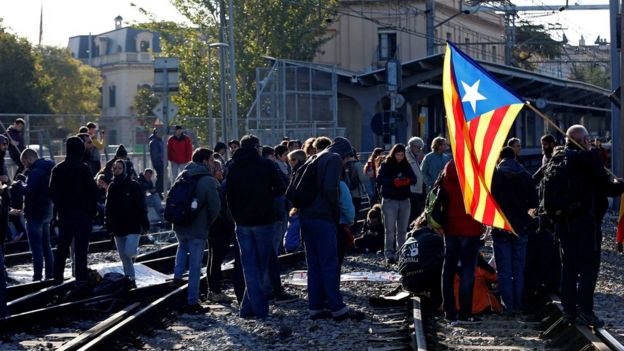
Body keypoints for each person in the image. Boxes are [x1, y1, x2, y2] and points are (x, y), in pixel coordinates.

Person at [554, 125, 624, 327]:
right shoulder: (589, 159)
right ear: (584, 141)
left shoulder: (558, 158)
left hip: (563, 224)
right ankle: (585, 311)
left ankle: (569, 311)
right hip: (586, 224)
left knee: (568, 268)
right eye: (589, 140)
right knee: (588, 269)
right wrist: (621, 184)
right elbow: (608, 189)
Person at [299, 136, 365, 321]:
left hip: (307, 218)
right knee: (329, 263)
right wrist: (335, 212)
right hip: (323, 220)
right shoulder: (334, 160)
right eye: (346, 158)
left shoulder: (315, 158)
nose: (345, 162)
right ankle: (337, 307)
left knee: (313, 265)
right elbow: (331, 190)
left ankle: (315, 307)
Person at [226, 135, 287, 318]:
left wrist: (236, 216)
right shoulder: (266, 165)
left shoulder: (233, 167)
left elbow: (228, 194)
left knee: (248, 265)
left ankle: (246, 309)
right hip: (264, 221)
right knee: (260, 265)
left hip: (242, 222)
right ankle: (260, 310)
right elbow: (281, 189)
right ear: (256, 147)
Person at [171, 148, 220, 312]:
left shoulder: (183, 174)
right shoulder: (207, 180)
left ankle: (176, 278)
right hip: (197, 228)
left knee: (181, 248)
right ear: (206, 161)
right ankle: (192, 301)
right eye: (212, 160)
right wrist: (207, 223)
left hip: (180, 224)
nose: (213, 163)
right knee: (195, 266)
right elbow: (215, 207)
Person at [491, 146, 539, 312]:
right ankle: (518, 304)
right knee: (518, 267)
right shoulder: (525, 175)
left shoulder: (495, 176)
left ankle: (508, 305)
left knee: (504, 269)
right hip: (521, 227)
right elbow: (534, 203)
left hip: (500, 226)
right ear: (515, 157)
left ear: (500, 158)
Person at [439, 159, 484, 323]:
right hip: (471, 229)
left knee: (448, 270)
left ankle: (449, 312)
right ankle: (465, 313)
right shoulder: (475, 174)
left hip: (451, 228)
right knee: (467, 271)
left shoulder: (446, 173)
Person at [49, 137, 98, 284]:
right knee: (81, 249)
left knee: (62, 247)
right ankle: (80, 279)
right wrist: (91, 212)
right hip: (83, 216)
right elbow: (92, 193)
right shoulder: (84, 168)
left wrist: (60, 207)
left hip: (65, 214)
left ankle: (57, 279)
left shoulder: (58, 169)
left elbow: (52, 193)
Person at [11, 149, 55, 281]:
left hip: (34, 214)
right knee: (47, 246)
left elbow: (29, 191)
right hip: (47, 211)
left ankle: (37, 278)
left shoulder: (35, 172)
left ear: (29, 159)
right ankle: (50, 274)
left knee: (36, 248)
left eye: (24, 162)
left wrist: (18, 185)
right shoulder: (47, 168)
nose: (24, 165)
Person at [105, 160, 149, 283]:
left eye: (119, 168)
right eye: (115, 168)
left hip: (133, 226)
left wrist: (144, 223)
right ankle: (130, 279)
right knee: (124, 258)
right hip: (118, 227)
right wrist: (109, 226)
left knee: (129, 252)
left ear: (124, 169)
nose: (117, 170)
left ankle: (135, 253)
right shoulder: (112, 187)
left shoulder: (133, 185)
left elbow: (141, 205)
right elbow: (108, 208)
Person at [376, 144, 417, 265]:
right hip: (390, 200)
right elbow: (380, 179)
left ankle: (401, 253)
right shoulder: (386, 164)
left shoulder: (406, 165)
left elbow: (414, 179)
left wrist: (407, 181)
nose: (400, 157)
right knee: (389, 229)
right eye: (398, 154)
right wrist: (393, 182)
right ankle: (389, 253)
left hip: (404, 200)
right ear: (393, 154)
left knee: (402, 229)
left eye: (402, 155)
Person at [398, 213, 444, 308]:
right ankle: (439, 298)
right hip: (423, 282)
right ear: (431, 226)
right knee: (446, 261)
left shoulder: (409, 240)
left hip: (407, 283)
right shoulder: (434, 239)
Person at [206, 159, 235, 303]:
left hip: (213, 228)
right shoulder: (215, 187)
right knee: (216, 261)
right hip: (219, 228)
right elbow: (220, 210)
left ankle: (213, 290)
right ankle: (216, 291)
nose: (221, 172)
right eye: (218, 170)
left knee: (213, 260)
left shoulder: (213, 185)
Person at [406, 137, 426, 222]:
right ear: (412, 146)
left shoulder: (413, 156)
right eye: (418, 147)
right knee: (413, 213)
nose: (419, 150)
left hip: (416, 189)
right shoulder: (406, 155)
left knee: (415, 213)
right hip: (411, 189)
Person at [149, 128, 165, 195]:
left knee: (161, 177)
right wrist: (160, 162)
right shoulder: (154, 142)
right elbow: (155, 154)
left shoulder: (160, 141)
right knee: (160, 177)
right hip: (158, 163)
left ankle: (159, 192)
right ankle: (158, 192)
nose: (160, 134)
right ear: (155, 134)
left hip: (162, 162)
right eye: (159, 133)